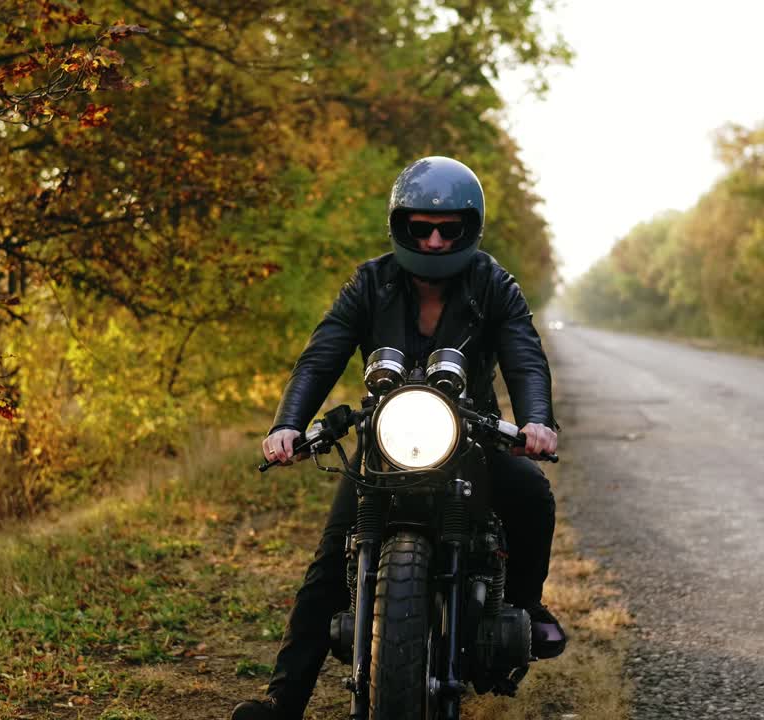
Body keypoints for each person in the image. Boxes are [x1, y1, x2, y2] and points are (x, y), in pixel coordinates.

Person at [232, 156, 564, 720]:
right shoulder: (370, 283)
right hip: (385, 441)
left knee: (532, 495)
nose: (434, 240)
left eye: (448, 228)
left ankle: (525, 605)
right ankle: (281, 703)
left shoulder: (492, 284)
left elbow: (524, 355)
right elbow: (322, 354)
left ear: (469, 228)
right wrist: (288, 424)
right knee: (327, 569)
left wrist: (536, 420)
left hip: (469, 438)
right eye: (420, 227)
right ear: (399, 225)